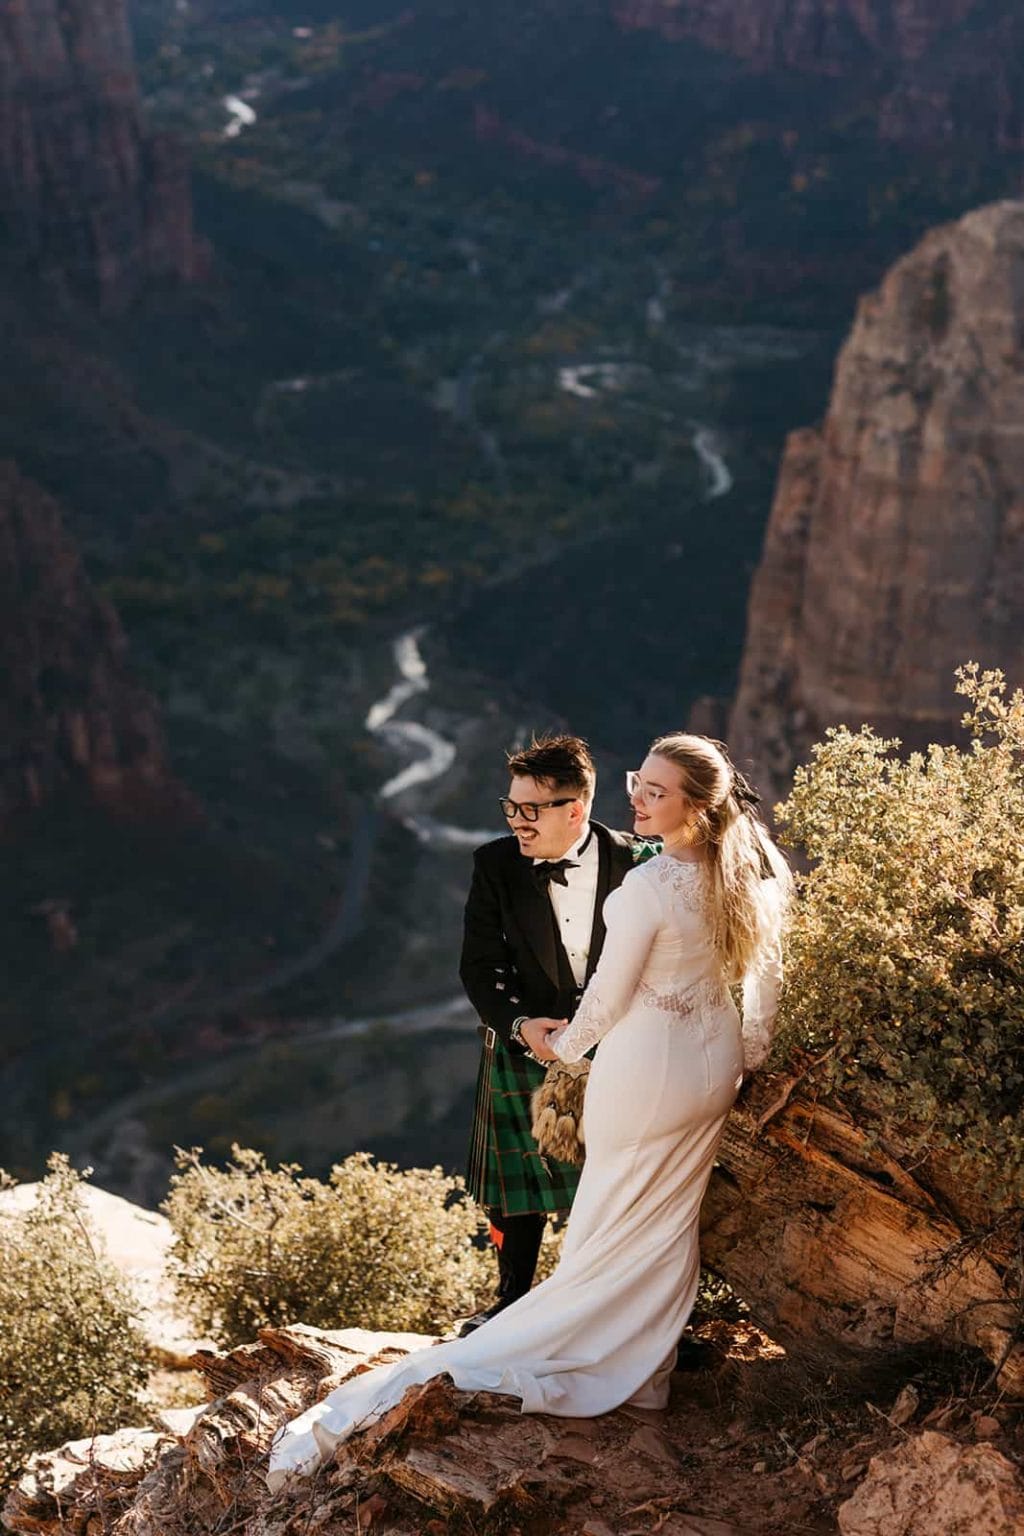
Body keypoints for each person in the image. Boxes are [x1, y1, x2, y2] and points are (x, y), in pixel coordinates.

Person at [268, 733, 792, 1490]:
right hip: (711, 1074)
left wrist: (566, 1053)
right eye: (635, 783)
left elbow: (608, 1002)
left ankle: (582, 1349)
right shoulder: (749, 867)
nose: (637, 798)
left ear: (694, 806)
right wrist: (746, 1056)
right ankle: (644, 1376)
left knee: (607, 1223)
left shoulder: (645, 883)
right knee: (667, 1222)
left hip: (639, 1070)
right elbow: (764, 980)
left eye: (654, 790)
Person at [459, 733, 658, 1332]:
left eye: (531, 809)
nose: (517, 821)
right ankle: (511, 1299)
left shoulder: (642, 863)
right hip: (530, 1043)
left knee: (618, 1176)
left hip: (622, 1045)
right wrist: (522, 1027)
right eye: (511, 807)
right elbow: (478, 966)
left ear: (575, 809)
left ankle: (620, 1308)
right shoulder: (494, 865)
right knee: (523, 1185)